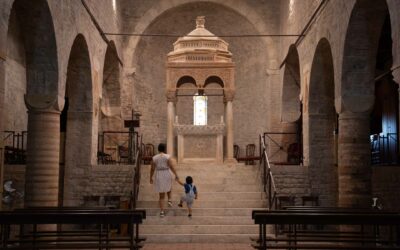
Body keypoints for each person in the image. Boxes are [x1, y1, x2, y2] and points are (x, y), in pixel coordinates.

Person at [150, 143, 179, 217]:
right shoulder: (168, 157)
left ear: (158, 149)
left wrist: (150, 177)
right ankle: (169, 200)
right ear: (165, 149)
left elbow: (152, 169)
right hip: (166, 172)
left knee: (161, 195)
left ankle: (162, 212)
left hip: (159, 174)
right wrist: (176, 174)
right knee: (169, 187)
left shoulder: (154, 158)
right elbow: (171, 166)